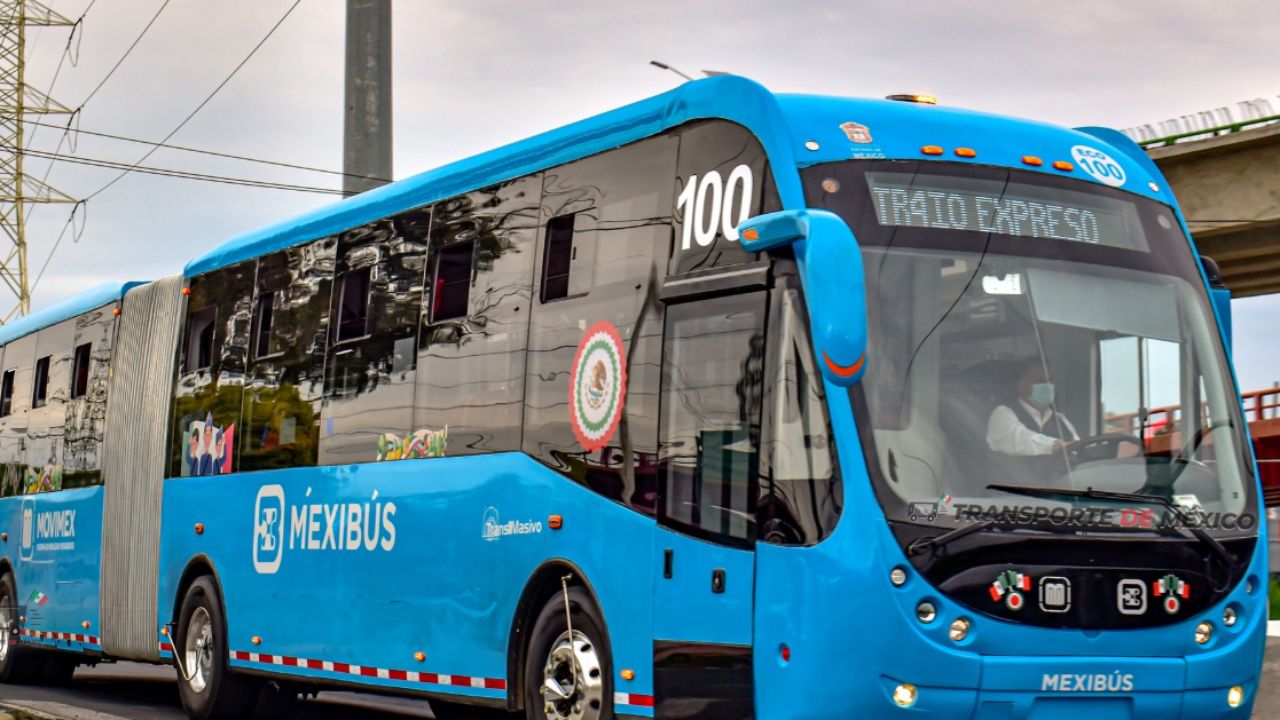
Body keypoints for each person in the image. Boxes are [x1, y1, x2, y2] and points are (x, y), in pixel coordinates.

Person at [986, 358, 1079, 457]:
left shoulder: (1061, 419)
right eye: (1040, 380)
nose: (1048, 386)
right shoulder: (1003, 414)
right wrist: (1055, 445)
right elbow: (1020, 438)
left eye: (1050, 380)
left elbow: (1078, 448)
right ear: (1021, 385)